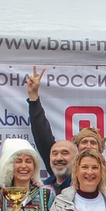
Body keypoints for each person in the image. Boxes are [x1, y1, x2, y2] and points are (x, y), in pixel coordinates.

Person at [24, 66, 75, 194]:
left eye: (65, 153)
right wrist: (33, 98)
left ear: (77, 159)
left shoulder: (83, 187)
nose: (59, 158)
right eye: (54, 153)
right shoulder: (43, 190)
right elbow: (42, 136)